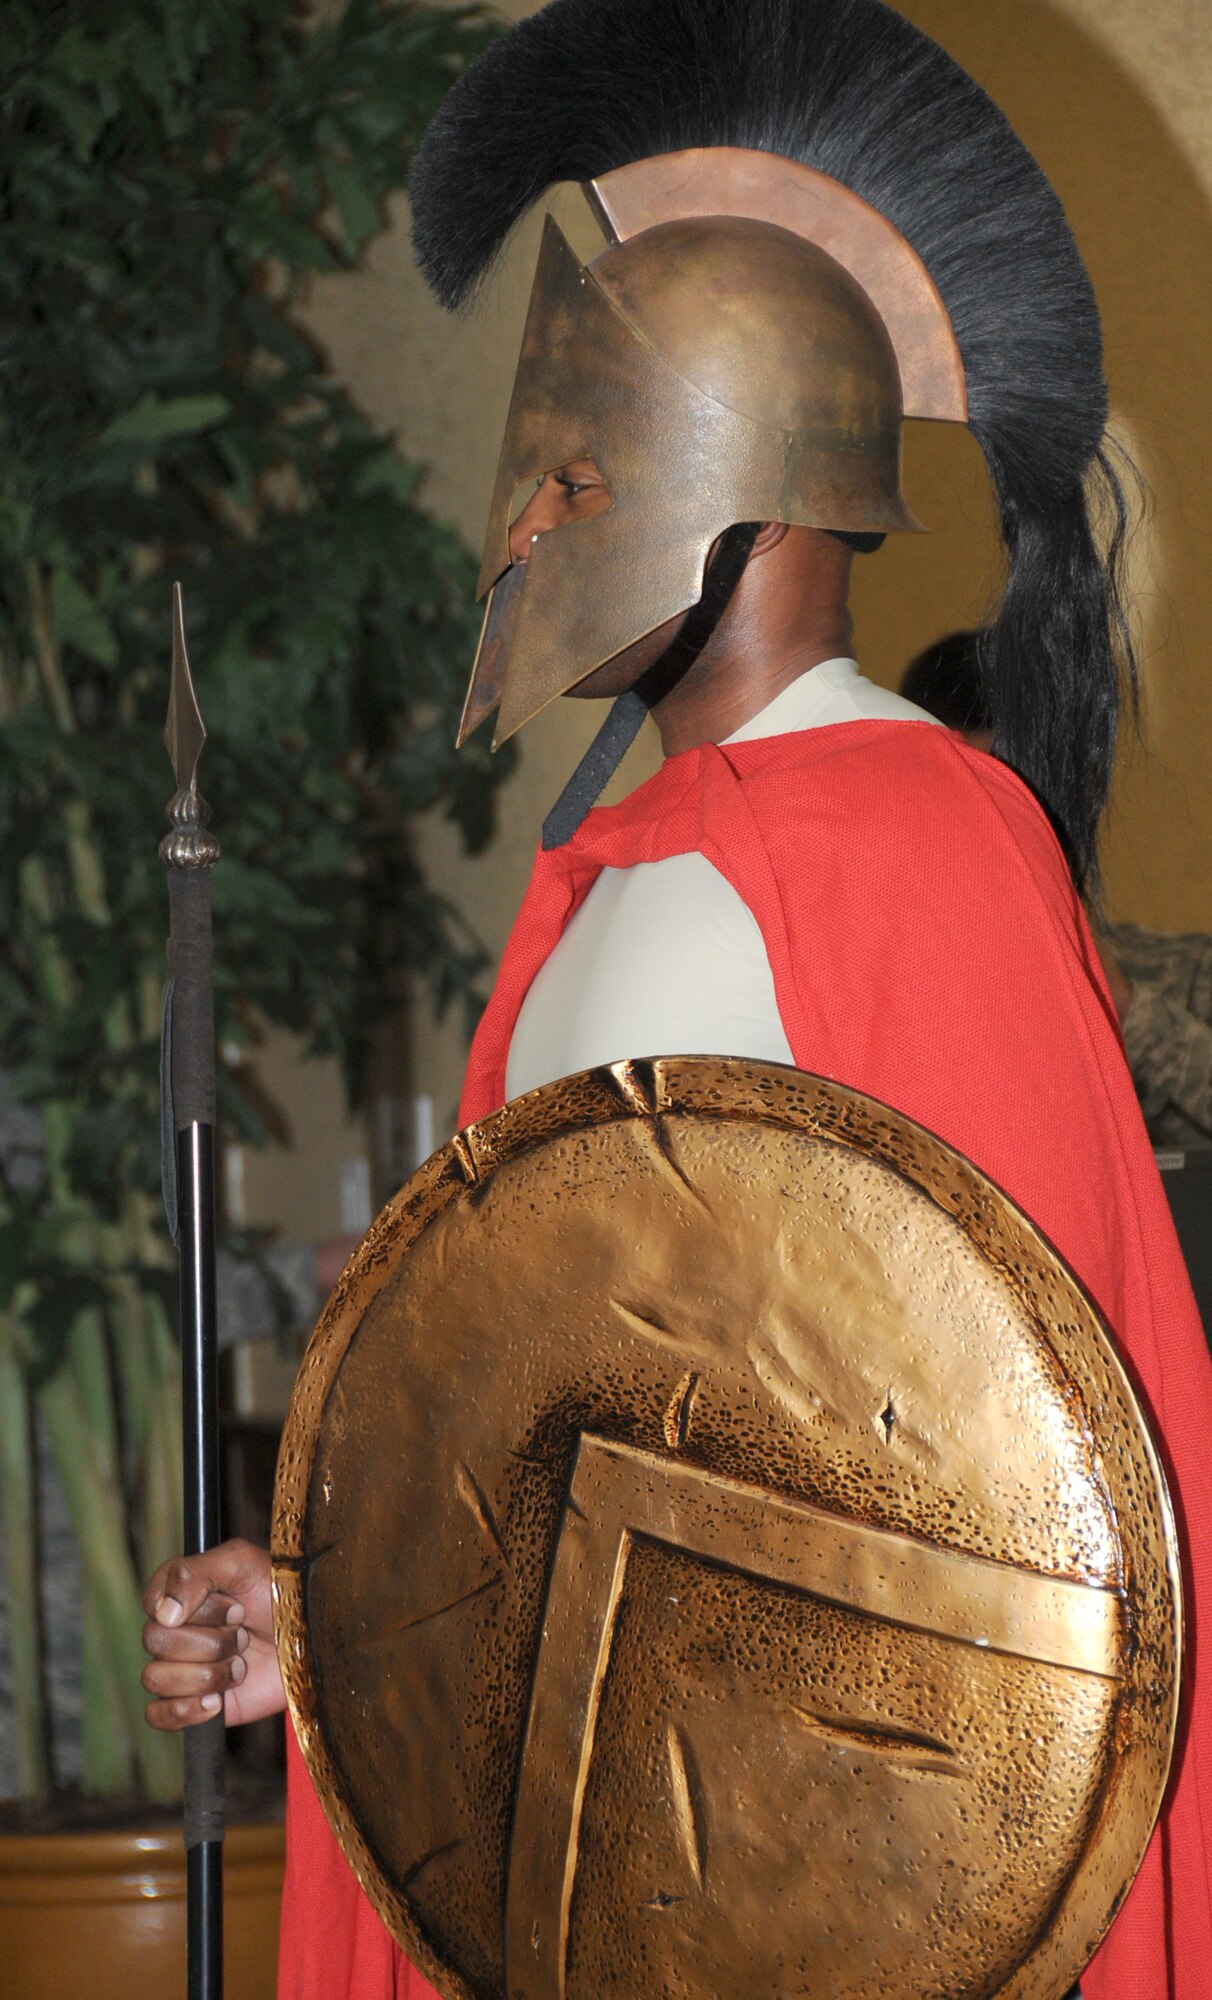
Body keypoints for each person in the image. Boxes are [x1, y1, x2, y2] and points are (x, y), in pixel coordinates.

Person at [141, 4, 1212, 1997]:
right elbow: (579, 1446)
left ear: (741, 480)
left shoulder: (915, 851)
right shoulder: (621, 874)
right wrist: (330, 1617)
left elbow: (1022, 1549)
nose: (529, 527)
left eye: (576, 465)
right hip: (609, 1893)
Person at [904, 627, 1212, 1147]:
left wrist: (1123, 1008)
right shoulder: (891, 984)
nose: (1004, 822)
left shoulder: (1187, 973)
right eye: (971, 789)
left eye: (1024, 786)